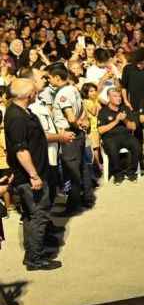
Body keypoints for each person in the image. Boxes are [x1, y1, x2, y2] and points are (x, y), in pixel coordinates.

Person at [4, 78, 61, 270]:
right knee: (38, 215)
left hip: (29, 173)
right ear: (29, 95)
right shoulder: (17, 117)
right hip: (30, 177)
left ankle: (32, 253)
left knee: (31, 215)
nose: (37, 94)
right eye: (35, 92)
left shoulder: (22, 112)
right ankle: (35, 259)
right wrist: (34, 176)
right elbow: (21, 150)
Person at [49, 63, 94, 211]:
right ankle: (87, 197)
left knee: (71, 169)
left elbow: (70, 116)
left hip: (70, 134)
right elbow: (82, 111)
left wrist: (76, 127)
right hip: (78, 134)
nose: (49, 81)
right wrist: (83, 125)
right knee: (82, 166)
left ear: (57, 77)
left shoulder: (62, 94)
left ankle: (74, 204)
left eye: (50, 78)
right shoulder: (74, 89)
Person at [97, 87, 140, 183]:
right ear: (109, 97)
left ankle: (131, 172)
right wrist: (116, 121)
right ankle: (118, 174)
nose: (119, 98)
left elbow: (133, 127)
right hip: (110, 137)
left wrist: (124, 120)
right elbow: (100, 130)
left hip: (126, 135)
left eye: (119, 96)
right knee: (112, 147)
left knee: (136, 145)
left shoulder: (125, 109)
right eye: (115, 96)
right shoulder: (103, 111)